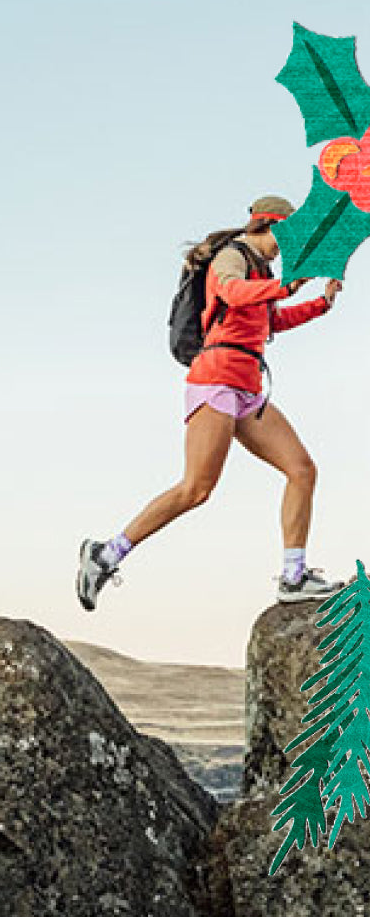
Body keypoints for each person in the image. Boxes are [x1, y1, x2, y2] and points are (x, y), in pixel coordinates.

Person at [78, 196, 343, 611]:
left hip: (249, 387)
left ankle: (294, 577)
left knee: (302, 470)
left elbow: (269, 320)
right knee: (196, 488)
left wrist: (320, 304)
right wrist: (286, 286)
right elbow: (234, 295)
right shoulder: (231, 257)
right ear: (269, 226)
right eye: (287, 235)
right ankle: (105, 555)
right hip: (216, 379)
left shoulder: (262, 270)